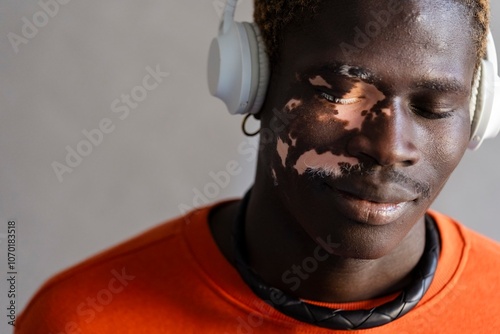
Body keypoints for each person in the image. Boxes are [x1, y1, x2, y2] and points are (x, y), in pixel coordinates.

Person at [16, 0, 500, 333]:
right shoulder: (81, 318)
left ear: (479, 112)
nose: (390, 147)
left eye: (434, 107)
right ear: (251, 80)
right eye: (338, 92)